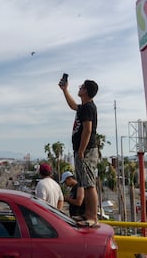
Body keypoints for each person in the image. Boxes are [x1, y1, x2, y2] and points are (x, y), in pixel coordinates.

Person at [59, 78, 99, 227]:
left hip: (86, 150)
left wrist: (81, 150)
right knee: (84, 183)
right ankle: (87, 214)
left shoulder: (89, 107)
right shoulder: (83, 107)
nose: (80, 88)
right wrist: (65, 90)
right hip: (81, 150)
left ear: (86, 91)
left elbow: (88, 130)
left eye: (82, 87)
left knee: (89, 184)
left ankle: (92, 216)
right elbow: (72, 105)